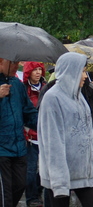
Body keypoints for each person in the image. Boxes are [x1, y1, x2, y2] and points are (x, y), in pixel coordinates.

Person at [38, 52, 93, 207]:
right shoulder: (52, 98)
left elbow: (88, 136)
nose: (85, 76)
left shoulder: (79, 97)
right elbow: (52, 142)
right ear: (71, 71)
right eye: (82, 71)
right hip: (59, 176)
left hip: (83, 174)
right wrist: (59, 183)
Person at [0, 58, 38, 207]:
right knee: (5, 194)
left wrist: (44, 126)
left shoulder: (17, 85)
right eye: (12, 62)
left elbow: (28, 112)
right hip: (1, 149)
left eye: (17, 62)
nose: (16, 66)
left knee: (20, 185)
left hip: (19, 147)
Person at [22, 62, 46, 207]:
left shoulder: (47, 87)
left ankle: (37, 191)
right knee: (30, 169)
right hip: (30, 135)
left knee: (44, 168)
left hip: (44, 134)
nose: (37, 72)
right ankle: (31, 198)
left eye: (39, 69)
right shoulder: (23, 89)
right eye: (34, 70)